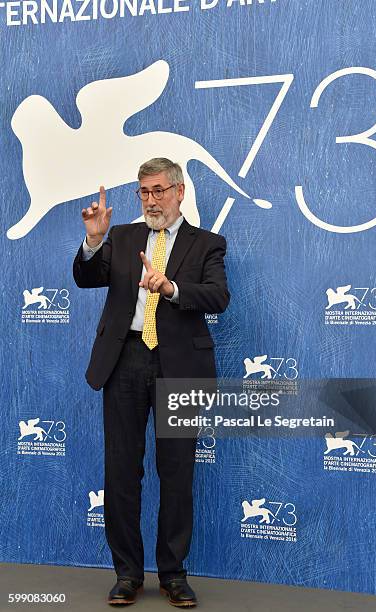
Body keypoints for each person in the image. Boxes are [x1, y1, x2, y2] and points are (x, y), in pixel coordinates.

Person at [73, 158, 230, 607]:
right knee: (121, 471)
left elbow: (218, 296)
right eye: (143, 192)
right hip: (124, 361)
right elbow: (87, 278)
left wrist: (172, 287)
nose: (151, 200)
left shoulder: (207, 244)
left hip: (179, 365)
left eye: (159, 190)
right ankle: (127, 575)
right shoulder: (120, 237)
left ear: (180, 192)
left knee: (177, 473)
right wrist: (94, 239)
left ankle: (174, 575)